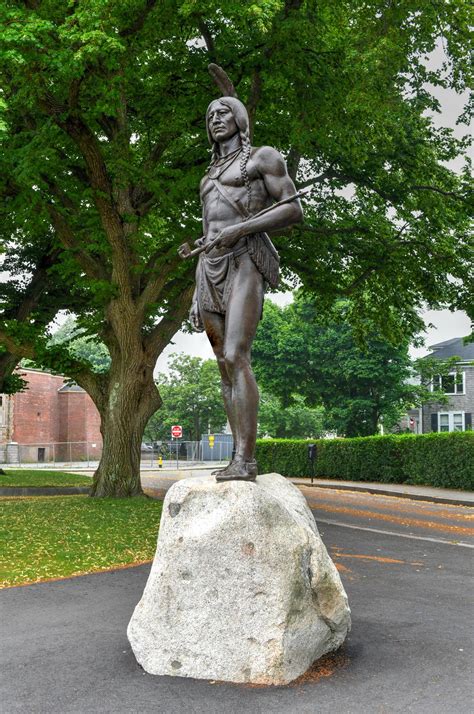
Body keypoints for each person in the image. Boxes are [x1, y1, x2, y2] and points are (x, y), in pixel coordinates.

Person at [187, 96, 303, 481]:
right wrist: (194, 293)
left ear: (239, 118)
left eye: (223, 113)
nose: (216, 119)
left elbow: (292, 208)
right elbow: (207, 233)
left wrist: (243, 228)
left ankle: (247, 461)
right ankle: (236, 457)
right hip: (210, 267)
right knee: (223, 366)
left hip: (246, 259)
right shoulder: (207, 176)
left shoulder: (262, 158)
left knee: (237, 355)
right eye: (210, 116)